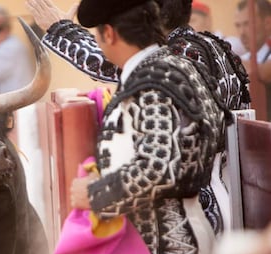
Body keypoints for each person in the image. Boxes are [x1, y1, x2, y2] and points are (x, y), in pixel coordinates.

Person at [26, 0, 248, 236]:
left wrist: (95, 195)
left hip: (184, 226)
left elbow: (158, 167)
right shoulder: (208, 47)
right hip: (223, 200)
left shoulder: (166, 67)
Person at [60, 0, 227, 254]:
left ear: (109, 34)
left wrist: (96, 194)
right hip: (174, 240)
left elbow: (158, 165)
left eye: (97, 35)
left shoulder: (152, 81)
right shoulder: (172, 67)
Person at [235, 0, 271, 120]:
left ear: (267, 23)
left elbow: (264, 73)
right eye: (238, 25)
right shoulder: (245, 59)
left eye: (247, 24)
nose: (242, 32)